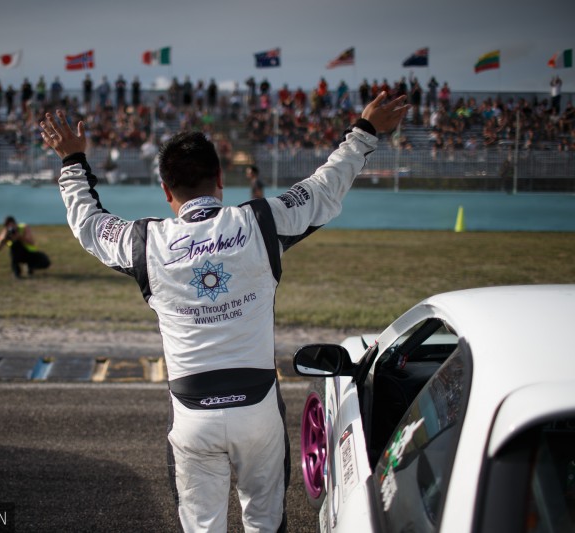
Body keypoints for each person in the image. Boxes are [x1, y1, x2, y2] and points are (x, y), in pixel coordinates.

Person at [41, 91, 408, 532]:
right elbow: (324, 187)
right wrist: (364, 132)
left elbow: (89, 224)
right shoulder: (260, 221)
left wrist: (72, 164)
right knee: (265, 525)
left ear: (164, 190)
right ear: (220, 178)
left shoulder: (144, 243)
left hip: (192, 415)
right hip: (258, 410)